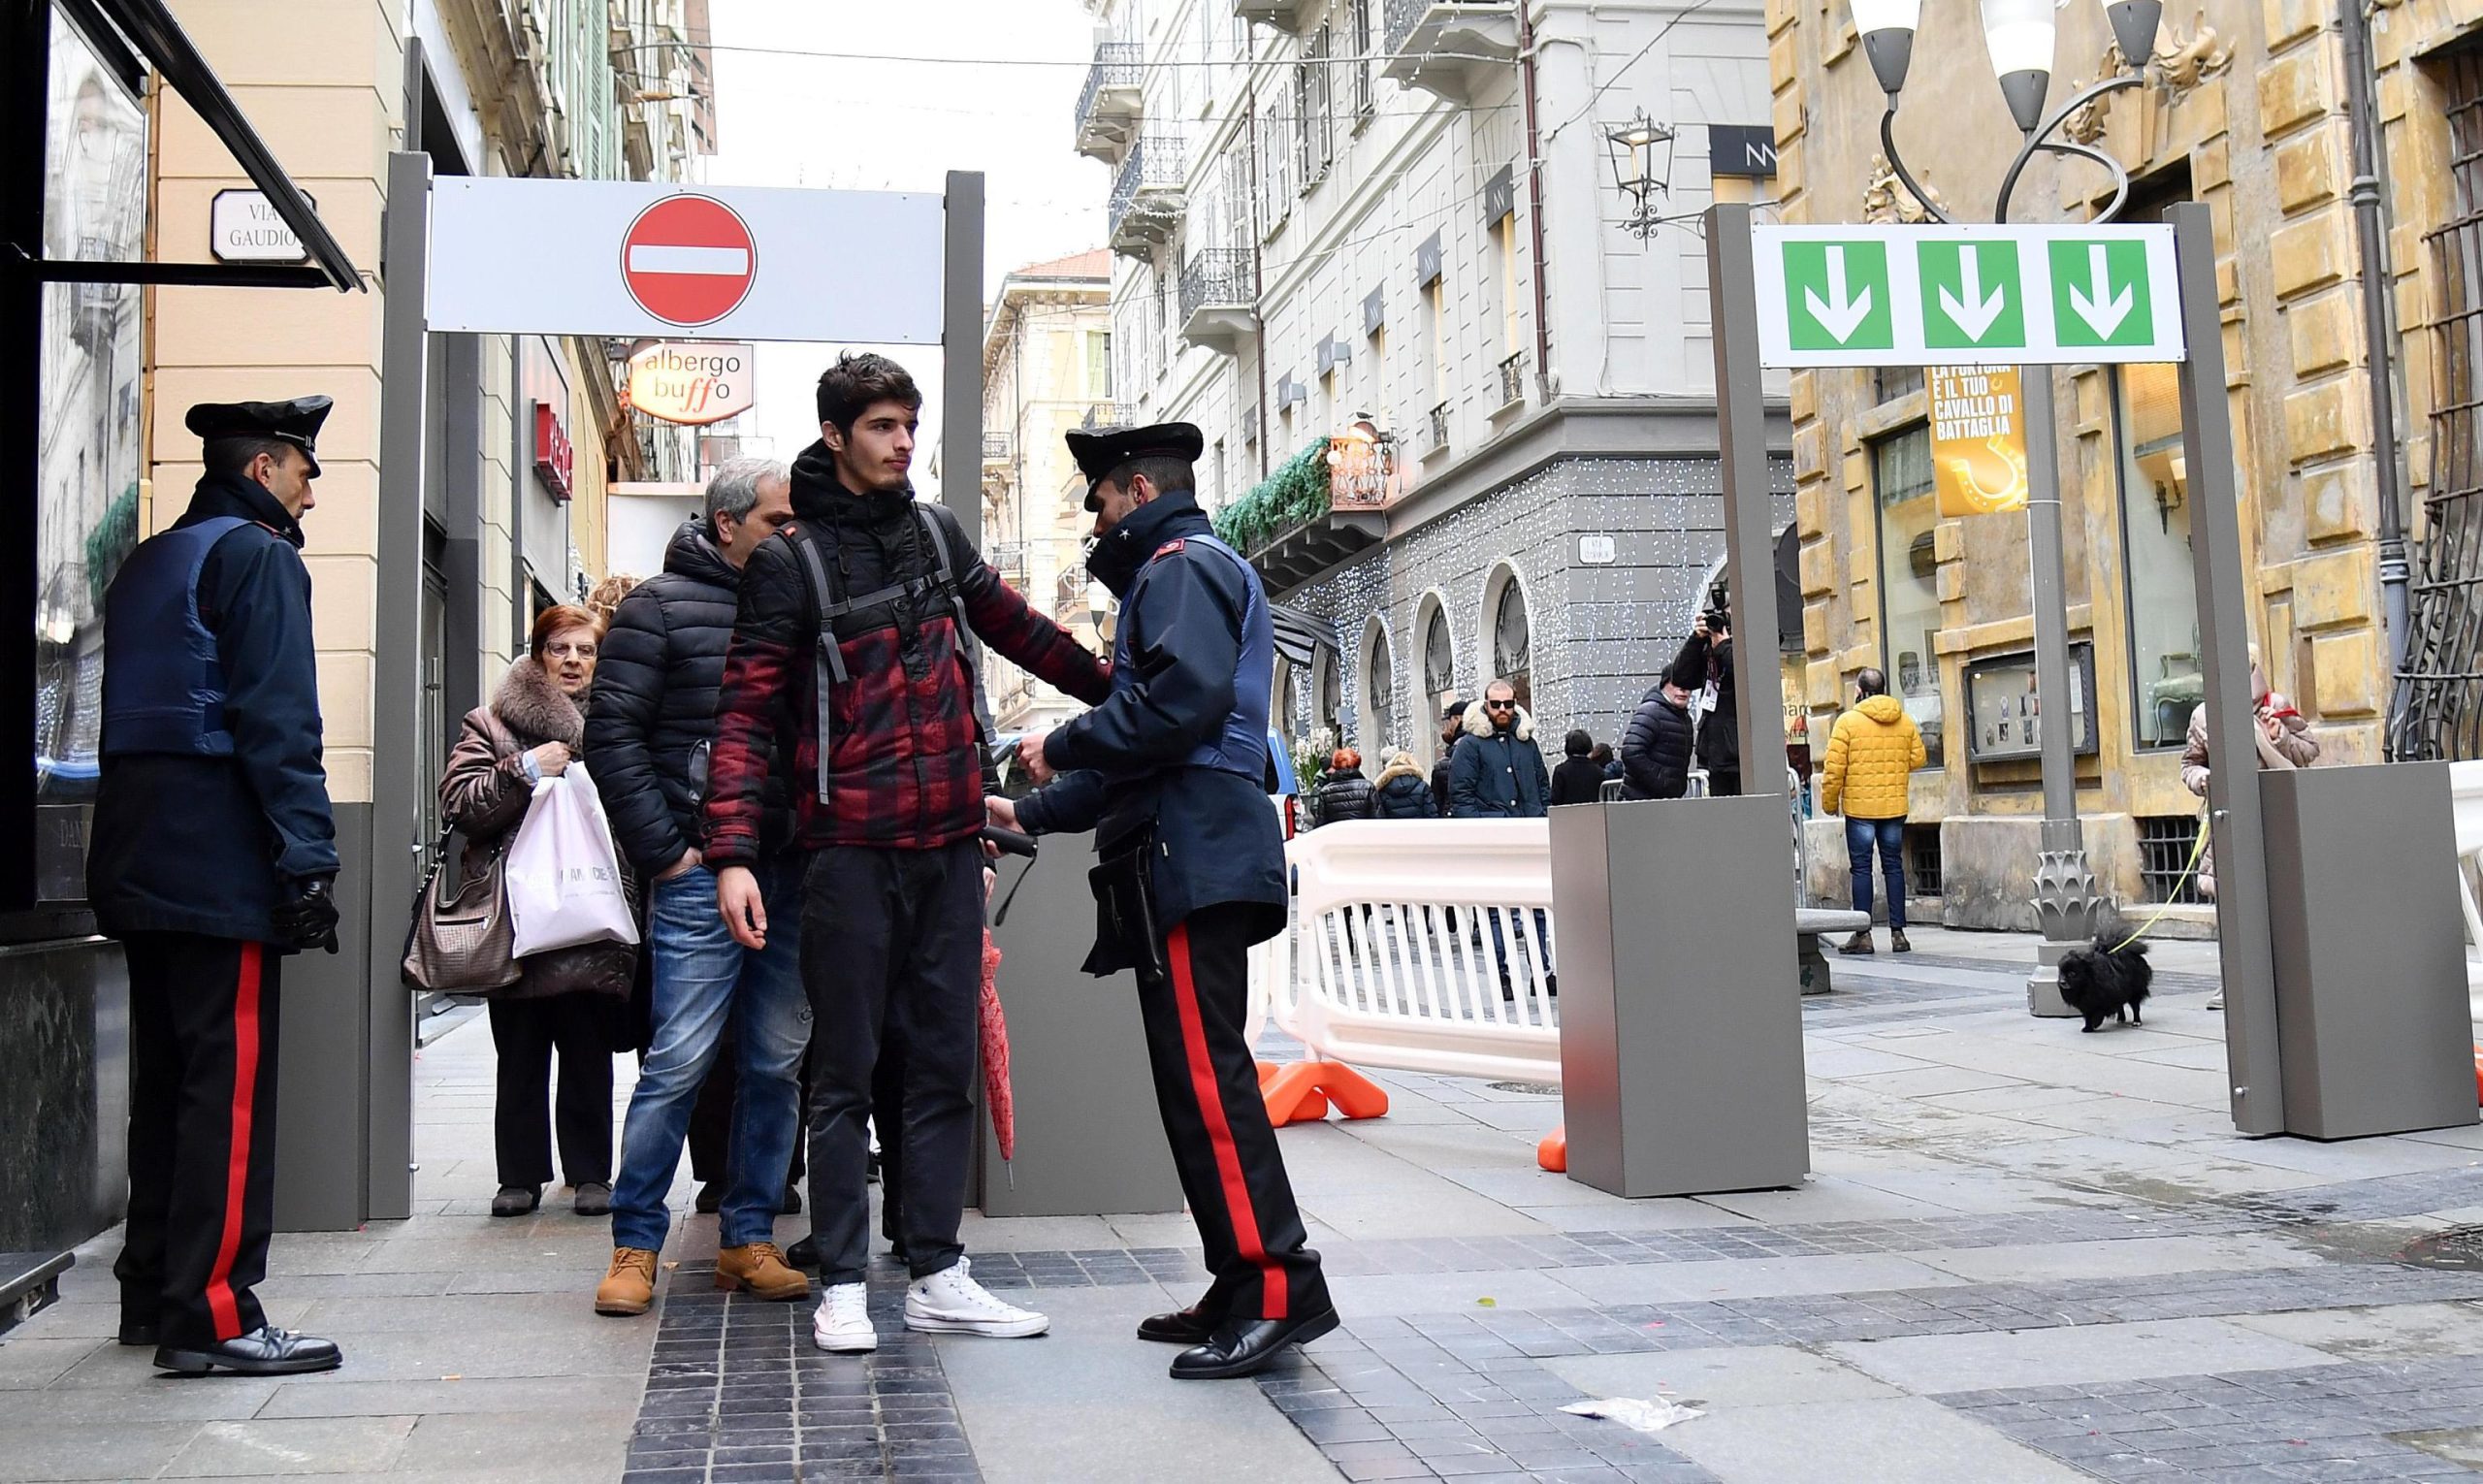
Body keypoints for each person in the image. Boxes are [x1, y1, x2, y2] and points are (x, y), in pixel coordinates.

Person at [702, 352, 1113, 1354]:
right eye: (882, 426)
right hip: (844, 852)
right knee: (841, 1073)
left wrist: (1121, 694)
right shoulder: (786, 562)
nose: (902, 443)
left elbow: (1015, 627)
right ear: (836, 435)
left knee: (940, 1068)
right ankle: (842, 1278)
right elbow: (746, 717)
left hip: (945, 845)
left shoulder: (934, 533)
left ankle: (935, 1270)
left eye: (908, 425)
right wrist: (732, 855)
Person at [989, 418, 1335, 1381]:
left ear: (1137, 491)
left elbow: (1173, 713)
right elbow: (1148, 750)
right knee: (1195, 1085)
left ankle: (1276, 1284)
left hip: (1194, 846)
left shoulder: (1179, 566)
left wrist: (1063, 741)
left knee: (1212, 1084)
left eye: (1098, 500)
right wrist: (1029, 808)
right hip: (1184, 839)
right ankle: (1238, 1277)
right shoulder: (1178, 569)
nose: (1093, 520)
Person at [89, 398, 344, 1377]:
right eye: (304, 471)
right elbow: (277, 719)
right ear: (266, 468)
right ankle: (217, 1313)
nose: (311, 491)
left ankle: (155, 1291)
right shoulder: (261, 556)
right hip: (218, 848)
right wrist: (307, 856)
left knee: (167, 1083)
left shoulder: (149, 558)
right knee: (226, 1092)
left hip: (134, 842)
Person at [589, 460, 813, 1318]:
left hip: (788, 868)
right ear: (726, 524)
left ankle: (746, 1236)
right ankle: (635, 1244)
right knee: (678, 1060)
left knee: (776, 1061)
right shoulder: (658, 608)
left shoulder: (796, 604)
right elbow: (612, 736)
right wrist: (670, 854)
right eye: (775, 520)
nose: (792, 532)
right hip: (698, 872)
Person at [441, 605, 636, 1217]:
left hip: (592, 904)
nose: (573, 661)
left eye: (585, 650)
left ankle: (590, 1174)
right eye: (560, 649)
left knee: (587, 1044)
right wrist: (526, 768)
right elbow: (460, 802)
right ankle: (519, 1176)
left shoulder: (620, 723)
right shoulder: (491, 722)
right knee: (519, 1049)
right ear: (537, 655)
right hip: (517, 910)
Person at [2181, 652, 2317, 1009]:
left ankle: (2285, 982)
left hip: (2276, 815)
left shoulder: (2276, 705)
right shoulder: (2204, 716)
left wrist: (2280, 736)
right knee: (2231, 904)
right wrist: (2202, 779)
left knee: (2280, 900)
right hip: (2227, 819)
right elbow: (2189, 765)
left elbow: (2310, 752)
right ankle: (2233, 983)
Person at [1449, 680, 1555, 995]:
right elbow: (1461, 796)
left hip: (1528, 835)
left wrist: (1540, 816)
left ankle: (1542, 970)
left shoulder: (1526, 742)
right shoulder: (1470, 746)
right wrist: (1483, 829)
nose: (1503, 710)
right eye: (1496, 705)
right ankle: (1503, 974)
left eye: (1508, 704)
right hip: (1493, 839)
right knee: (1497, 910)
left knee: (1536, 908)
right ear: (1486, 705)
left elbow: (1542, 783)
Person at [1820, 667, 1928, 956]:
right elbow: (1919, 757)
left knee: (1862, 868)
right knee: (1893, 866)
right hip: (1894, 807)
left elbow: (1834, 770)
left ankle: (1863, 934)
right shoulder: (1902, 720)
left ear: (1859, 691)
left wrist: (1830, 803)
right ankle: (1898, 934)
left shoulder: (1848, 723)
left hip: (1860, 809)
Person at [1674, 611, 1741, 796]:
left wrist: (1725, 645)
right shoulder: (1711, 656)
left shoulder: (1740, 648)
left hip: (1740, 755)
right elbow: (1680, 677)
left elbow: (1743, 673)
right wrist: (1696, 640)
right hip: (1716, 754)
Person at [1621, 672, 1695, 800]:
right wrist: (1661, 781)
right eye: (1676, 683)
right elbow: (1630, 752)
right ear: (1664, 685)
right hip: (1641, 800)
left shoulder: (1684, 718)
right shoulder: (1651, 711)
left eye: (1687, 684)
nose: (1683, 689)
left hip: (1662, 800)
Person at [1311, 746, 1376, 826]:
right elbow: (1378, 819)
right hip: (1363, 836)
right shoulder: (1368, 788)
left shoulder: (1326, 792)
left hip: (1336, 837)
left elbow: (1320, 823)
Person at [1372, 750, 1437, 818]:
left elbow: (1379, 816)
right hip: (1417, 827)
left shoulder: (1382, 788)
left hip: (1393, 828)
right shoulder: (1423, 787)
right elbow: (1431, 814)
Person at [1430, 700, 1467, 817]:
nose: (1447, 727)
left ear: (1457, 719)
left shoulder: (1445, 763)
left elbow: (1437, 803)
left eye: (1449, 721)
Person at [1549, 729, 1605, 807]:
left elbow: (1555, 800)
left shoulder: (1560, 771)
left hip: (1567, 816)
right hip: (1593, 816)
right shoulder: (1598, 771)